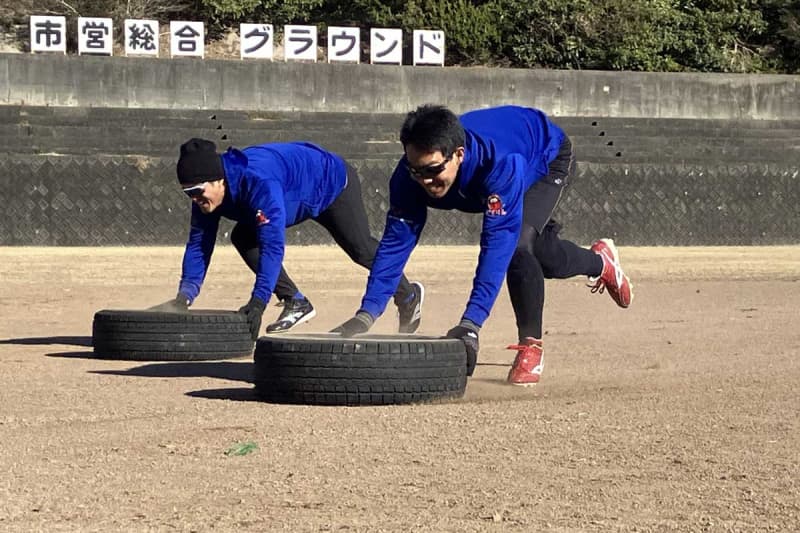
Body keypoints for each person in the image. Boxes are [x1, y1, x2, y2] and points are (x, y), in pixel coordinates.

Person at [333, 104, 632, 386]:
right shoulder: (408, 176)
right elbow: (395, 245)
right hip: (502, 163)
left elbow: (495, 247)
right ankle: (599, 261)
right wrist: (366, 315)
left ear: (458, 154)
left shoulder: (500, 163)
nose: (424, 180)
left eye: (433, 170)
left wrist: (471, 325)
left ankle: (531, 345)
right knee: (543, 254)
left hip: (543, 156)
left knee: (519, 246)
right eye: (416, 170)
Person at [151, 138, 424, 339]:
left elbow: (272, 246)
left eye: (197, 191)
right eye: (188, 193)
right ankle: (296, 301)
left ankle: (409, 295)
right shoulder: (206, 197)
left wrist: (258, 301)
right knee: (243, 236)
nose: (194, 199)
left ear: (218, 180)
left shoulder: (259, 183)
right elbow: (199, 244)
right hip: (294, 191)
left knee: (361, 249)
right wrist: (184, 297)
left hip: (331, 182)